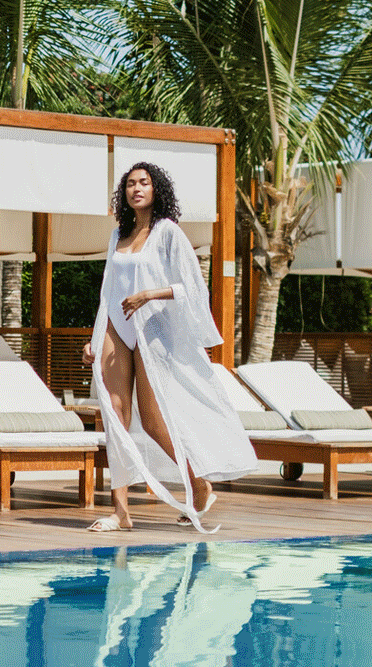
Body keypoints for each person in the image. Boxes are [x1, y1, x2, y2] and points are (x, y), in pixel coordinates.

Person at [83, 162, 257, 533]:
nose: (136, 189)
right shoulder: (118, 236)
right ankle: (121, 512)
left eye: (144, 182)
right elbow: (107, 292)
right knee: (114, 415)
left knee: (151, 422)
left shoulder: (168, 232)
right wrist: (96, 338)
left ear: (156, 189)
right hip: (117, 324)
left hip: (154, 328)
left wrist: (149, 294)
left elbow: (193, 287)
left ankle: (197, 483)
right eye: (130, 184)